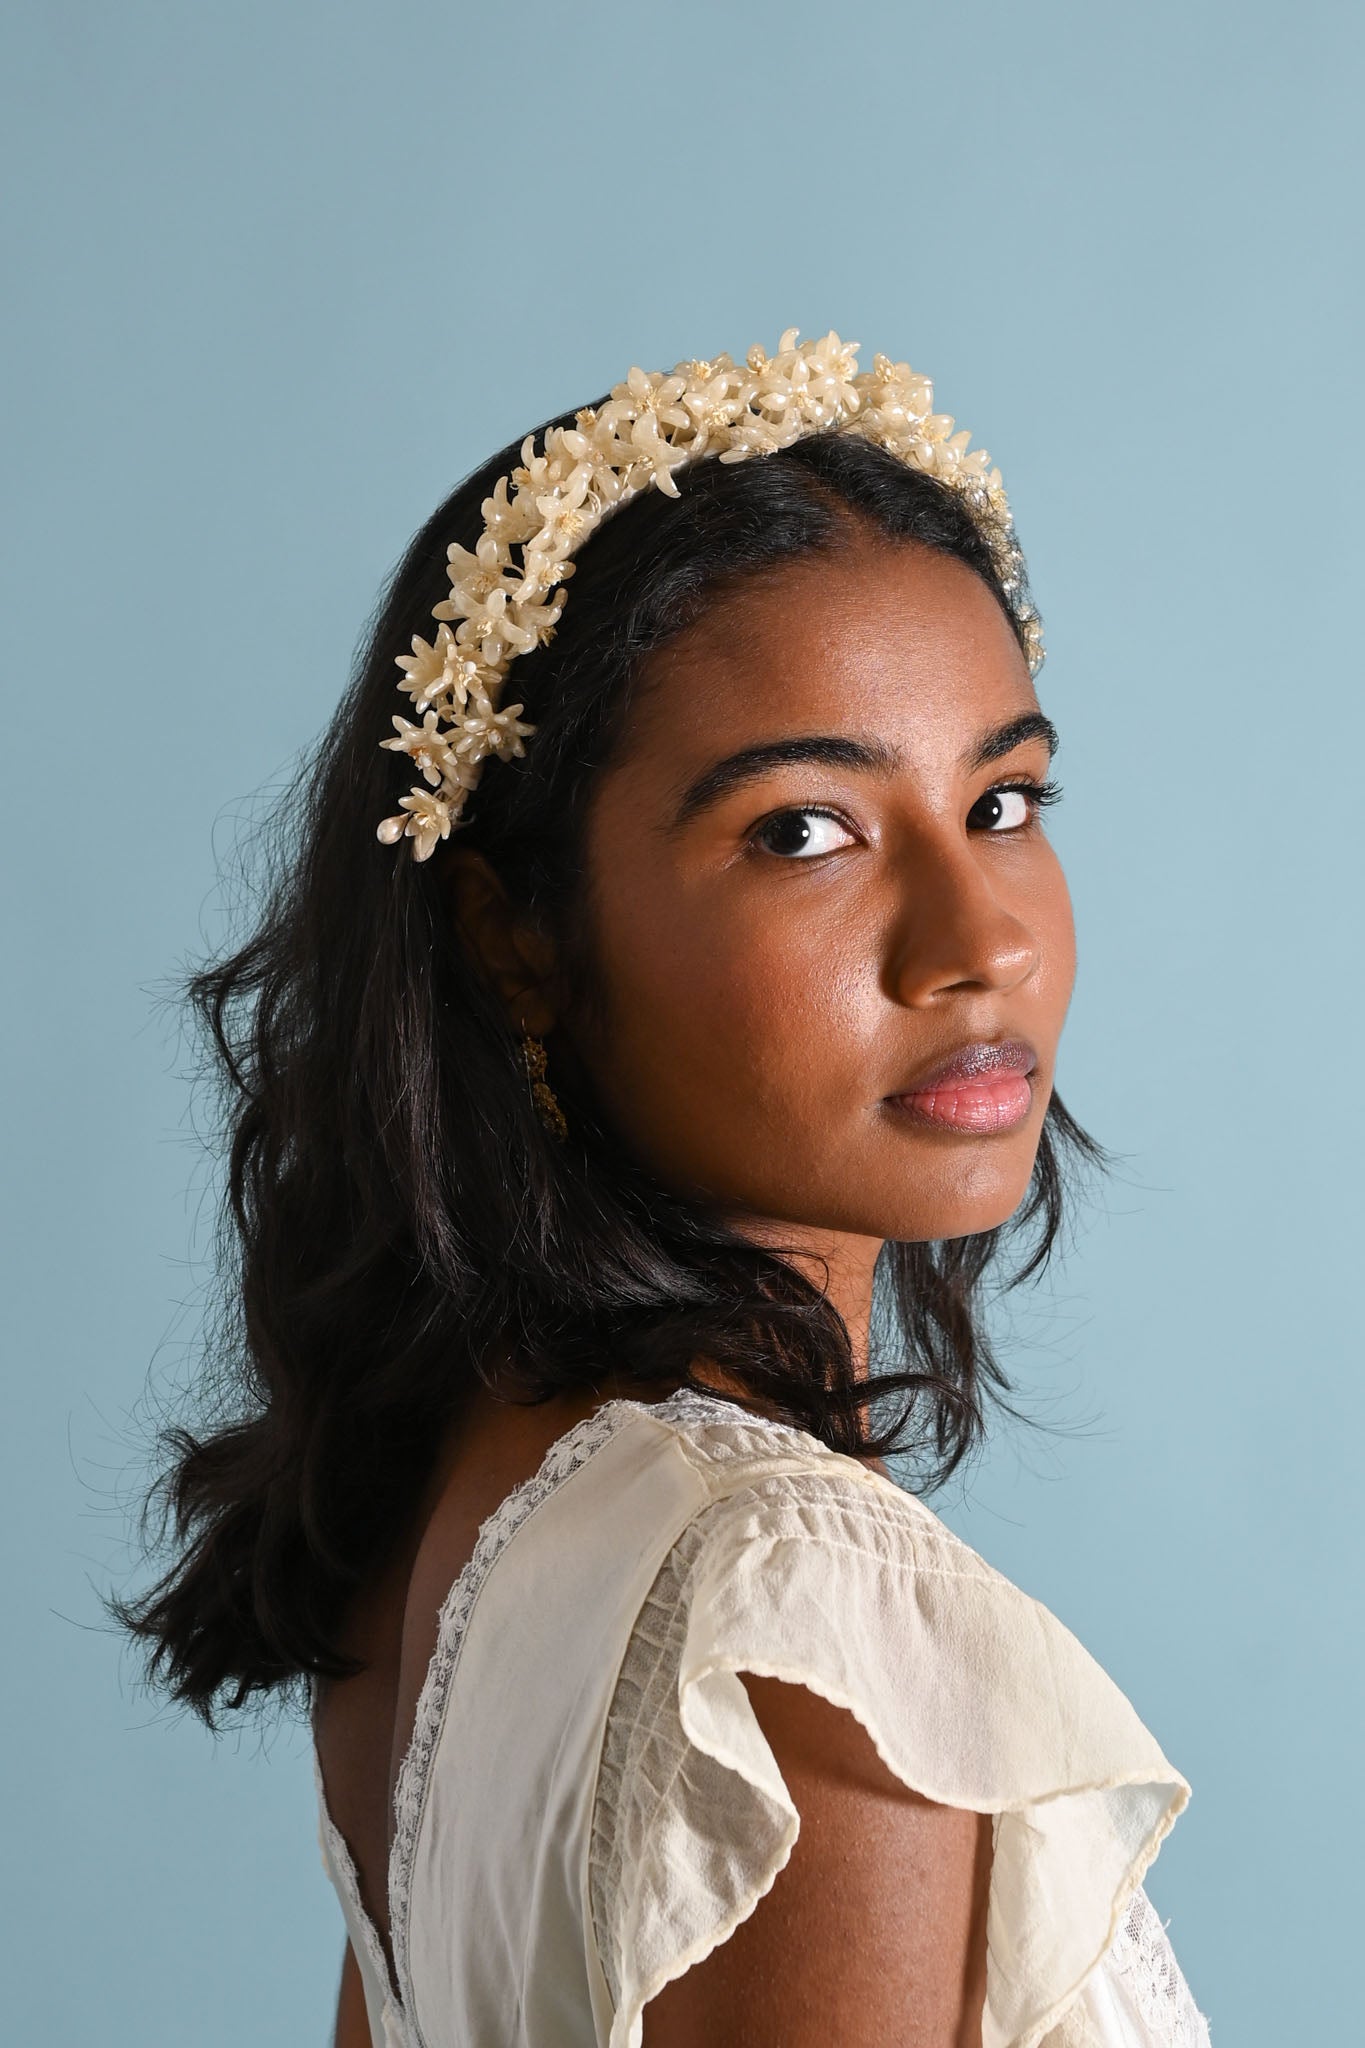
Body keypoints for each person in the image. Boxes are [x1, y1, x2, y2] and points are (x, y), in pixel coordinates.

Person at [117, 331, 1214, 2046]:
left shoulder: (452, 1521)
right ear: (518, 938)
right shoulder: (810, 1616)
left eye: (1001, 798)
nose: (978, 941)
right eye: (801, 830)